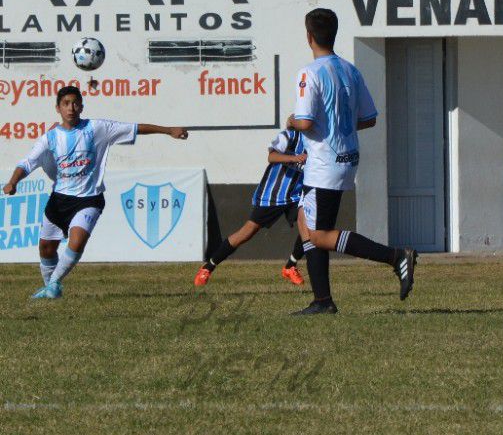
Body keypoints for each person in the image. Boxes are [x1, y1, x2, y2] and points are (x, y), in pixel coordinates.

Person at [286, 7, 417, 315]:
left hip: (324, 163)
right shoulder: (349, 70)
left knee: (318, 233)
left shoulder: (310, 72)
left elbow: (304, 122)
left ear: (309, 37)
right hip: (346, 156)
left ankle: (395, 256)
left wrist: (292, 121)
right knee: (308, 223)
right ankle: (322, 301)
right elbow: (368, 119)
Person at [2, 85, 188, 299]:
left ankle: (53, 284)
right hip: (59, 199)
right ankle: (50, 290)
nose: (71, 108)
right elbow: (28, 162)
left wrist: (168, 130)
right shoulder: (50, 137)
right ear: (58, 108)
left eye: (74, 103)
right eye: (65, 104)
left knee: (77, 241)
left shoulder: (98, 128)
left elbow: (136, 128)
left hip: (89, 199)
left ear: (81, 106)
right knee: (46, 248)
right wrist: (13, 182)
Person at [194, 128, 308, 287]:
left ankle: (290, 266)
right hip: (273, 195)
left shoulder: (319, 140)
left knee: (310, 227)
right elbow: (272, 156)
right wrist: (294, 158)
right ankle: (209, 266)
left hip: (296, 195)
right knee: (246, 233)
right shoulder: (290, 135)